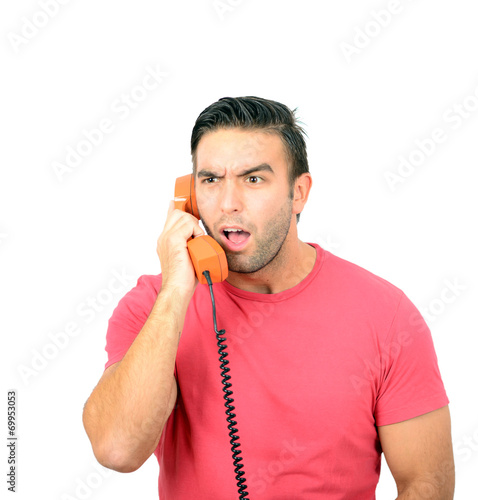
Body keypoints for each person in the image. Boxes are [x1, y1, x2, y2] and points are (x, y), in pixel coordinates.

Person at [82, 96, 455, 499]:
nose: (228, 204)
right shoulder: (151, 306)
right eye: (210, 180)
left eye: (253, 179)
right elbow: (117, 449)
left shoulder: (387, 315)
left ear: (299, 193)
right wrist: (176, 289)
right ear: (187, 196)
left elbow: (426, 484)